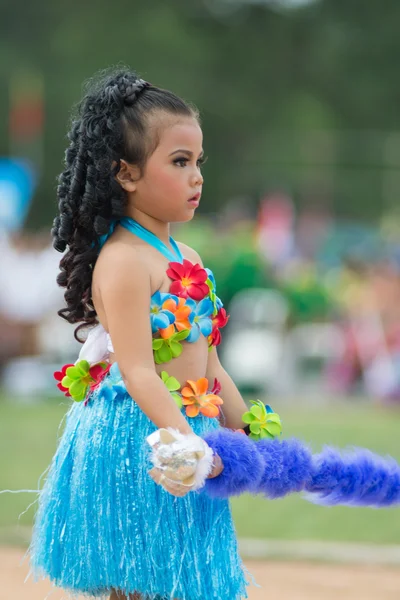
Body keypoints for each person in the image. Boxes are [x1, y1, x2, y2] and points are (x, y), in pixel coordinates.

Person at [28, 67, 254, 600]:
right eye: (179, 162)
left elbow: (212, 367)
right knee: (138, 585)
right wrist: (190, 444)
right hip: (141, 439)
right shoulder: (124, 261)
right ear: (125, 174)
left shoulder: (189, 258)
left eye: (199, 161)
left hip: (186, 437)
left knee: (183, 582)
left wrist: (247, 434)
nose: (196, 176)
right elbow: (136, 371)